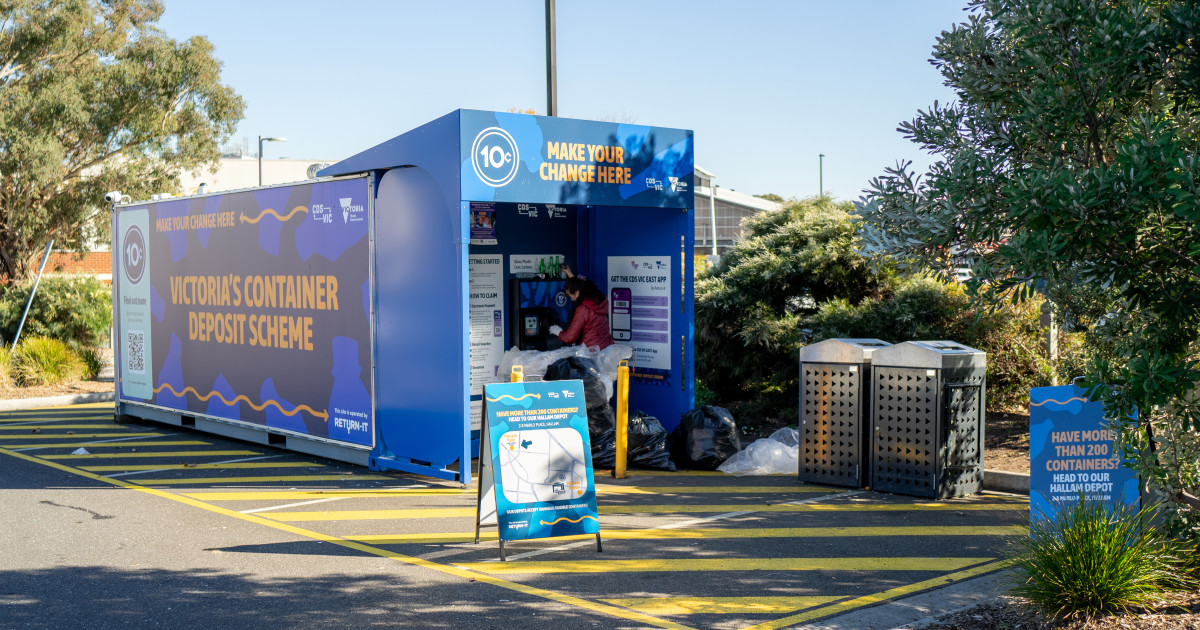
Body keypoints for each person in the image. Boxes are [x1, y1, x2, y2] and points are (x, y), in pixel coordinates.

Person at [549, 267, 614, 351]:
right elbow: (582, 285)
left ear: (577, 293)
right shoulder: (601, 300)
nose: (572, 299)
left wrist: (558, 331)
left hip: (591, 352)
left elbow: (570, 338)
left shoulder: (583, 309)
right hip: (607, 348)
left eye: (571, 296)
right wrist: (571, 276)